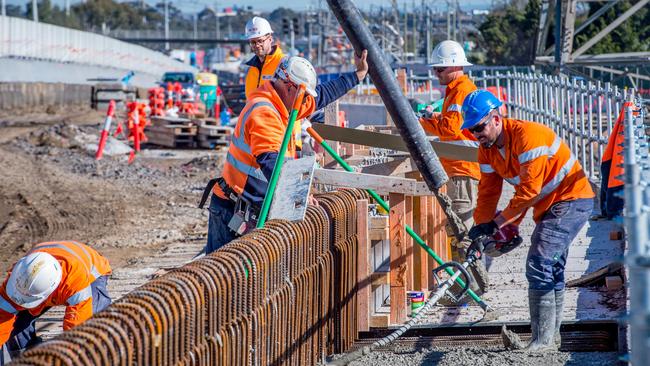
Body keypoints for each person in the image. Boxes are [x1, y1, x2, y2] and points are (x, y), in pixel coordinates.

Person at [462, 90, 594, 351]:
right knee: (551, 266)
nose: (476, 135)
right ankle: (550, 338)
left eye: (479, 127)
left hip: (572, 199)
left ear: (496, 119)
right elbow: (488, 193)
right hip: (550, 207)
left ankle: (541, 342)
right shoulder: (486, 151)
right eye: (471, 131)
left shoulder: (528, 137)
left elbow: (529, 192)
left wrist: (498, 224)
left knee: (540, 262)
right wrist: (480, 230)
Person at [200, 52, 368, 254]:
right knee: (225, 278)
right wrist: (299, 196)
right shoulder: (264, 111)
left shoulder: (285, 104)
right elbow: (271, 162)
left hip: (250, 207)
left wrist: (358, 75)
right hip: (232, 211)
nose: (306, 101)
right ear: (291, 87)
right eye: (304, 95)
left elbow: (323, 94)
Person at [418, 40, 488, 295]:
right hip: (456, 168)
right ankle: (466, 285)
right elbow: (448, 125)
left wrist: (428, 121)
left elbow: (451, 129)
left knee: (462, 229)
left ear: (456, 66)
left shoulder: (461, 91)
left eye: (440, 69)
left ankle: (472, 287)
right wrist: (427, 121)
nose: (436, 73)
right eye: (436, 69)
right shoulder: (454, 90)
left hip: (462, 169)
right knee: (457, 228)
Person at [0, 241, 112, 364]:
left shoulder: (74, 280)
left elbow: (76, 330)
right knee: (17, 328)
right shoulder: (18, 281)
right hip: (42, 278)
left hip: (92, 274)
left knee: (91, 326)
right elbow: (2, 321)